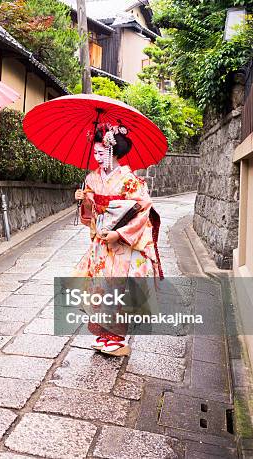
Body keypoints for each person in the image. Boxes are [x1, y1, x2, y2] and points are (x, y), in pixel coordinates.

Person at [73, 123, 162, 356]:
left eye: (101, 153)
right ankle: (104, 335)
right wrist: (84, 199)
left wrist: (119, 233)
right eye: (94, 153)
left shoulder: (130, 180)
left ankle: (118, 338)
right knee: (100, 284)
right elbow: (89, 214)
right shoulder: (92, 178)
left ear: (112, 151)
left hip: (121, 240)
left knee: (118, 285)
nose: (96, 157)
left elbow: (143, 209)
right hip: (102, 239)